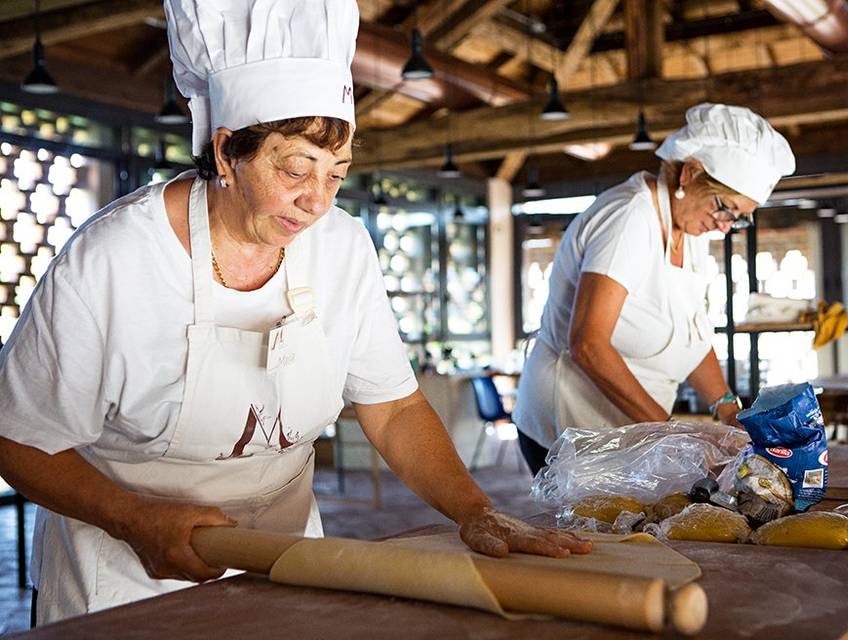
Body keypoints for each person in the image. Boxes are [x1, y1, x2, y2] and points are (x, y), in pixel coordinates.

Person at [0, 0, 588, 626]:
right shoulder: (113, 259)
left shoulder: (342, 245)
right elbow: (17, 438)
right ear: (227, 153)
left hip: (284, 561)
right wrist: (132, 518)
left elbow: (392, 408)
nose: (316, 202)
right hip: (126, 577)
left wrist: (475, 509)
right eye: (295, 169)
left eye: (336, 174)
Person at [513, 104, 796, 475]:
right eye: (725, 208)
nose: (726, 226)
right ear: (690, 174)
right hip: (572, 431)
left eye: (739, 217)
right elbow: (587, 344)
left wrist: (728, 408)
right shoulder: (629, 218)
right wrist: (670, 432)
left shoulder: (691, 228)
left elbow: (692, 336)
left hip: (632, 429)